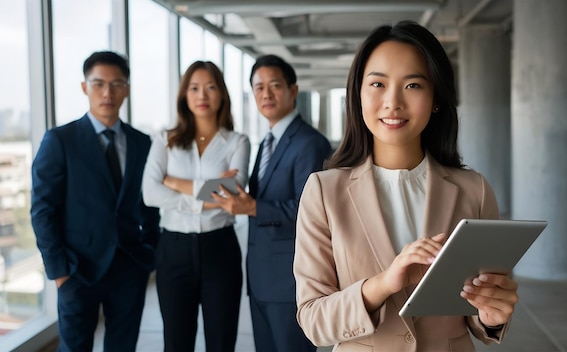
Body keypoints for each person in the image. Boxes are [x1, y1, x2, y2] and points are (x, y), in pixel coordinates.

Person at [293, 20, 519, 351]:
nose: (393, 102)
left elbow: (482, 310)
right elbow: (314, 320)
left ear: (436, 98)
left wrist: (493, 314)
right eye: (378, 84)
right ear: (358, 94)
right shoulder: (324, 192)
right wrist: (384, 283)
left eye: (413, 85)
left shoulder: (475, 190)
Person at [30, 51, 160, 352]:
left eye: (116, 84)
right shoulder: (60, 140)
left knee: (123, 346)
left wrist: (149, 250)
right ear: (84, 87)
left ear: (126, 89)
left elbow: (149, 203)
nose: (107, 93)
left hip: (130, 267)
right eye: (98, 83)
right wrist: (59, 271)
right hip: (77, 270)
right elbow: (42, 209)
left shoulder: (142, 142)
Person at [212, 54, 331, 352]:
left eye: (275, 85)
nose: (266, 94)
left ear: (293, 90)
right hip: (262, 278)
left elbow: (311, 212)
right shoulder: (266, 142)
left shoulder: (309, 142)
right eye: (258, 87)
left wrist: (251, 207)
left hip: (291, 281)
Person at [141, 61, 250, 352]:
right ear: (184, 95)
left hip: (220, 250)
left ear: (222, 94)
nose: (202, 95)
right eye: (194, 88)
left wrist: (174, 182)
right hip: (173, 250)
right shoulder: (164, 140)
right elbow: (150, 193)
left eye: (210, 87)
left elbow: (233, 191)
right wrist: (208, 194)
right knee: (176, 343)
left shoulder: (237, 142)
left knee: (221, 341)